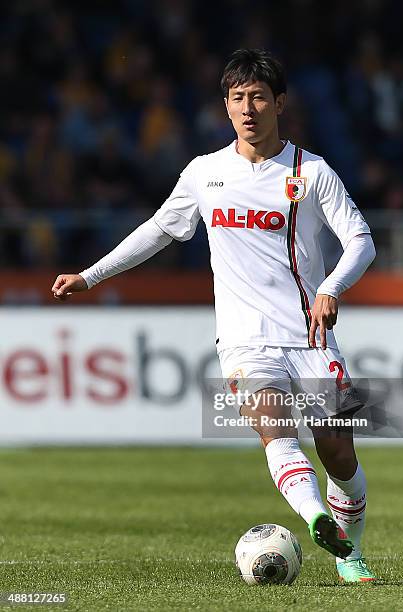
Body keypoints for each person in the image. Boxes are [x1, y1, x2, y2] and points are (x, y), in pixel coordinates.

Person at [52, 49, 376, 583]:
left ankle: (350, 546)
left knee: (339, 453)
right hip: (244, 338)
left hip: (311, 335)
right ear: (225, 107)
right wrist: (90, 275)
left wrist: (332, 288)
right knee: (274, 430)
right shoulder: (206, 173)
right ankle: (320, 521)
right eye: (237, 98)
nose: (248, 109)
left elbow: (360, 240)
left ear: (280, 104)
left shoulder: (311, 172)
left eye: (258, 98)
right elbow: (159, 230)